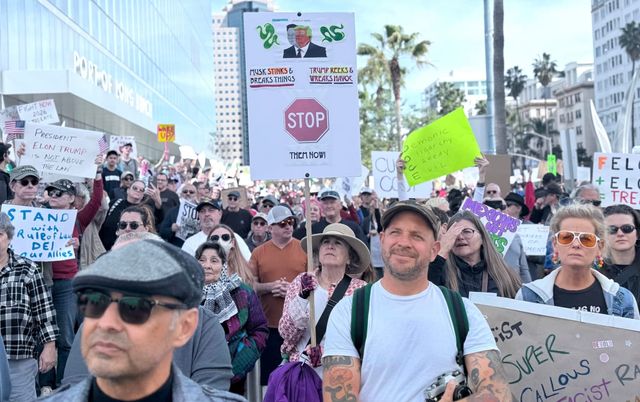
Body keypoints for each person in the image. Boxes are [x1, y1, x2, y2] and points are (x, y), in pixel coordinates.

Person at [322, 201, 513, 401]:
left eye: (417, 236)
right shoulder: (349, 312)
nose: (404, 243)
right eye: (396, 232)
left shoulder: (463, 311)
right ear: (382, 240)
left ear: (434, 250)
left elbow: (498, 393)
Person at [44, 240, 244, 401]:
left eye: (134, 307)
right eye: (95, 302)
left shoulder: (206, 326)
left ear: (184, 326)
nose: (105, 323)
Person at [516, 204, 639, 318]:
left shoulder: (623, 300)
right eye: (566, 237)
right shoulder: (528, 296)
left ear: (600, 247)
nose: (576, 244)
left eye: (586, 239)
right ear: (555, 244)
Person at [279, 224, 368, 376]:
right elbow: (286, 334)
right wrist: (302, 297)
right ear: (318, 252)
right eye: (326, 242)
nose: (330, 246)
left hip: (340, 379)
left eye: (338, 243)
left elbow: (364, 342)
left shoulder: (361, 291)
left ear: (349, 258)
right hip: (301, 375)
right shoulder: (301, 281)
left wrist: (329, 354)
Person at [41, 174, 104, 389]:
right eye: (51, 192)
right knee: (43, 334)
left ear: (71, 198)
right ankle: (45, 383)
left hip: (67, 284)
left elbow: (96, 202)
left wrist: (97, 176)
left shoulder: (77, 218)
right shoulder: (37, 214)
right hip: (42, 282)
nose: (53, 196)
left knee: (65, 336)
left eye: (59, 193)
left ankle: (63, 384)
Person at [196, 242, 268, 395]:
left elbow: (259, 331)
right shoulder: (186, 295)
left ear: (223, 265)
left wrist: (238, 365)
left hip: (233, 375)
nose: (207, 265)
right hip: (194, 378)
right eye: (202, 260)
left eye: (214, 260)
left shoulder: (241, 292)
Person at [0, 213, 58, 401]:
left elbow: (44, 310)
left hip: (18, 355)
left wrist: (49, 347)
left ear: (9, 237)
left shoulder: (27, 268)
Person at [248, 206, 307, 385]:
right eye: (282, 224)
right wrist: (269, 287)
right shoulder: (259, 252)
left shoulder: (304, 248)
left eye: (290, 222)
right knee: (270, 377)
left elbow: (315, 282)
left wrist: (293, 288)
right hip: (269, 325)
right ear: (270, 228)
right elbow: (250, 286)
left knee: (297, 378)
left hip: (300, 326)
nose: (288, 226)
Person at [434, 210, 522, 298]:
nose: (460, 237)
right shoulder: (440, 271)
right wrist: (442, 251)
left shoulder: (503, 275)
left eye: (467, 231)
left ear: (482, 237)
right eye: (454, 233)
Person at [99, 179, 162, 250]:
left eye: (141, 190)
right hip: (104, 248)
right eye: (135, 188)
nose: (138, 190)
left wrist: (158, 202)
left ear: (143, 195)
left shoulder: (145, 211)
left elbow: (157, 223)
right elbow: (102, 220)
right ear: (128, 190)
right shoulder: (115, 203)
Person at [181, 198, 251, 260]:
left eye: (211, 210)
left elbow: (248, 263)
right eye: (202, 211)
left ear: (220, 213)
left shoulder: (234, 238)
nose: (206, 214)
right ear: (199, 216)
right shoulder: (190, 243)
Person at [293, 190, 367, 245]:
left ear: (340, 205)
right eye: (325, 203)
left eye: (332, 202)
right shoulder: (314, 229)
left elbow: (363, 251)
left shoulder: (353, 228)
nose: (329, 206)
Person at [602, 204, 640, 303]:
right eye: (612, 229)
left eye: (627, 228)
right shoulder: (591, 268)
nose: (620, 234)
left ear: (637, 233)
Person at [502, 192, 533, 283]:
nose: (505, 208)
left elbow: (540, 258)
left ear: (519, 208)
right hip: (507, 277)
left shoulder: (531, 227)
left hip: (529, 272)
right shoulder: (501, 227)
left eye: (508, 205)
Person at [160, 182, 200, 247]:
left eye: (191, 192)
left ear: (196, 195)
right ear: (181, 194)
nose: (188, 193)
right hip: (176, 248)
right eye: (185, 192)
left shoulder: (201, 211)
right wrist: (171, 229)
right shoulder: (172, 211)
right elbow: (162, 232)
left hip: (194, 248)